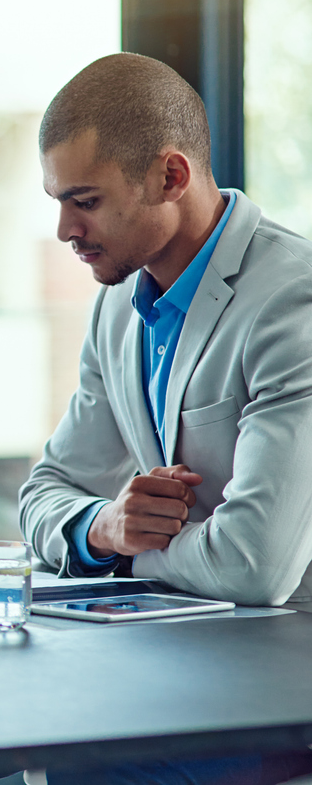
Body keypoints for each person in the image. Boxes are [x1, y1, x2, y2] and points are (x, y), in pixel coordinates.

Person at [20, 53, 312, 783]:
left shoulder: (293, 302)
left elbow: (254, 565)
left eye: (84, 200)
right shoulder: (117, 305)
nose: (64, 229)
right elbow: (45, 491)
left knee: (76, 766)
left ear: (170, 177)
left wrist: (126, 552)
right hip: (172, 667)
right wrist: (101, 525)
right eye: (58, 201)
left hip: (282, 687)